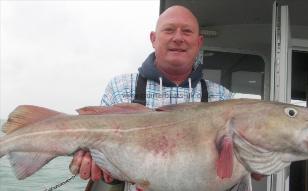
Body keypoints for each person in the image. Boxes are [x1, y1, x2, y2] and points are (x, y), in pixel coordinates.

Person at [69, 5, 253, 191]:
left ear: (199, 42)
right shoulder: (120, 88)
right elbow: (95, 145)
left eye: (187, 32)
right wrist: (89, 158)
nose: (178, 38)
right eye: (169, 30)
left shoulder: (223, 98)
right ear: (153, 39)